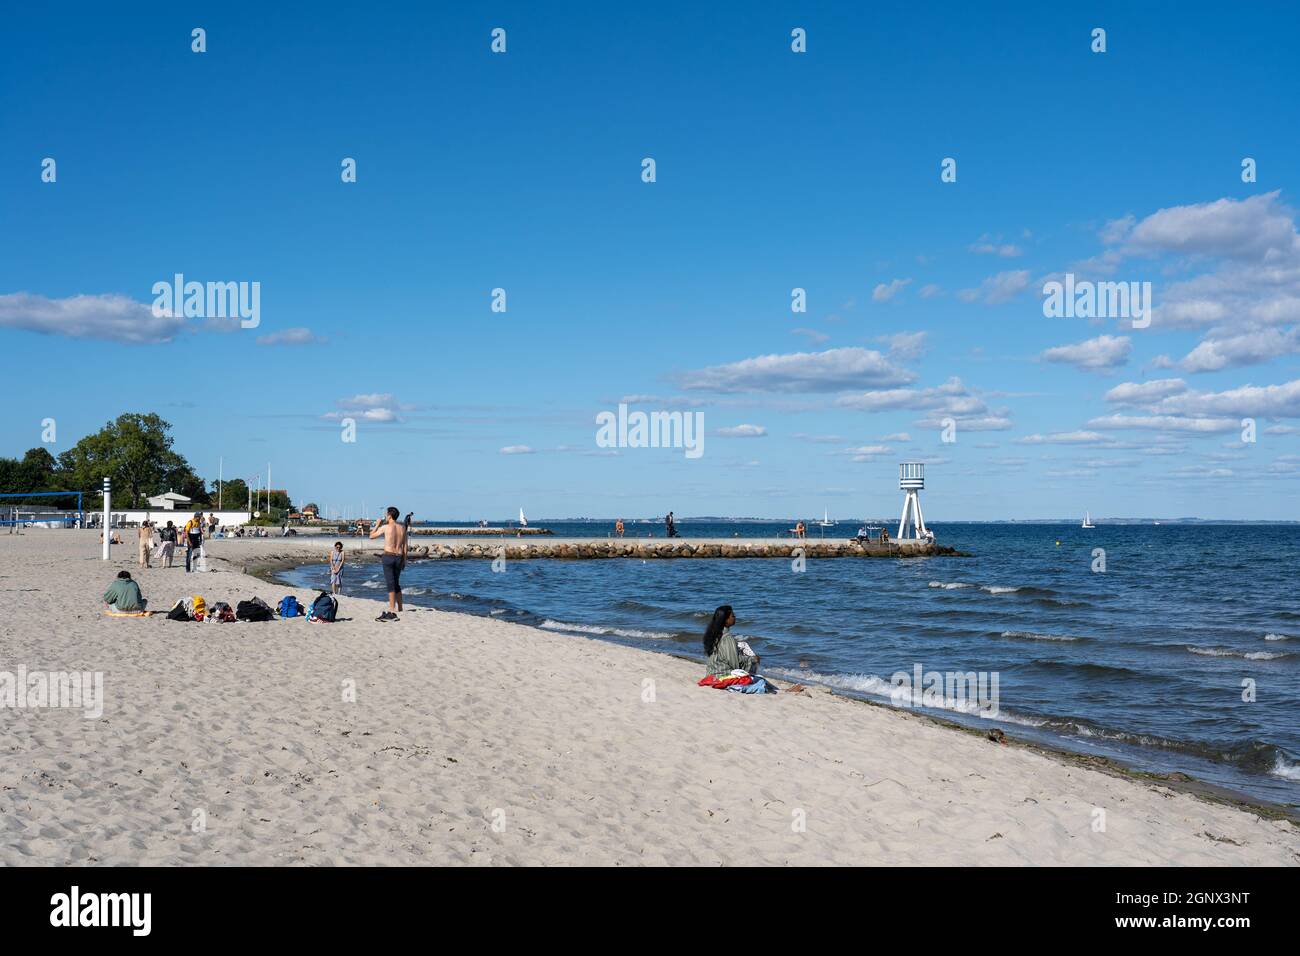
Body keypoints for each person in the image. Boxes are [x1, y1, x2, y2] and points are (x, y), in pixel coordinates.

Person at [368, 506, 408, 621]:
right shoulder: (403, 528)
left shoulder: (385, 527)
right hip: (399, 557)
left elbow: (371, 536)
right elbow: (405, 546)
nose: (385, 516)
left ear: (390, 515)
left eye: (386, 514)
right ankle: (400, 607)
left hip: (389, 556)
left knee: (390, 583)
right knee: (396, 583)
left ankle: (392, 608)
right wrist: (405, 559)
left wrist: (377, 524)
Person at [702, 605, 758, 678]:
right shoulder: (727, 637)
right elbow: (734, 663)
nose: (735, 617)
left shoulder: (713, 633)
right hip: (722, 674)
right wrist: (752, 659)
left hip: (711, 672)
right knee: (754, 661)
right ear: (725, 619)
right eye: (733, 616)